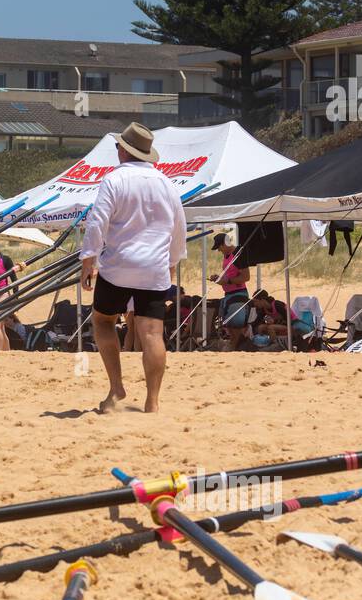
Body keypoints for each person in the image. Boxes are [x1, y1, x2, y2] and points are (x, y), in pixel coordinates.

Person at [80, 123, 187, 413]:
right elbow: (179, 228)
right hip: (154, 267)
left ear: (124, 151)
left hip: (119, 265)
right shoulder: (166, 183)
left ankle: (116, 386)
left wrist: (88, 260)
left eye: (118, 147)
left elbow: (97, 221)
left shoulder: (114, 180)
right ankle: (152, 402)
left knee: (103, 321)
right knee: (152, 333)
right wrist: (172, 263)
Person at [209, 231, 250, 350]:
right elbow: (231, 273)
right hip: (229, 293)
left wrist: (227, 281)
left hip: (238, 293)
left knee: (236, 323)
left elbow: (246, 277)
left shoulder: (238, 254)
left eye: (219, 247)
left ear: (224, 244)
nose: (219, 250)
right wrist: (220, 278)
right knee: (229, 324)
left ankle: (235, 346)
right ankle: (235, 344)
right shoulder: (227, 255)